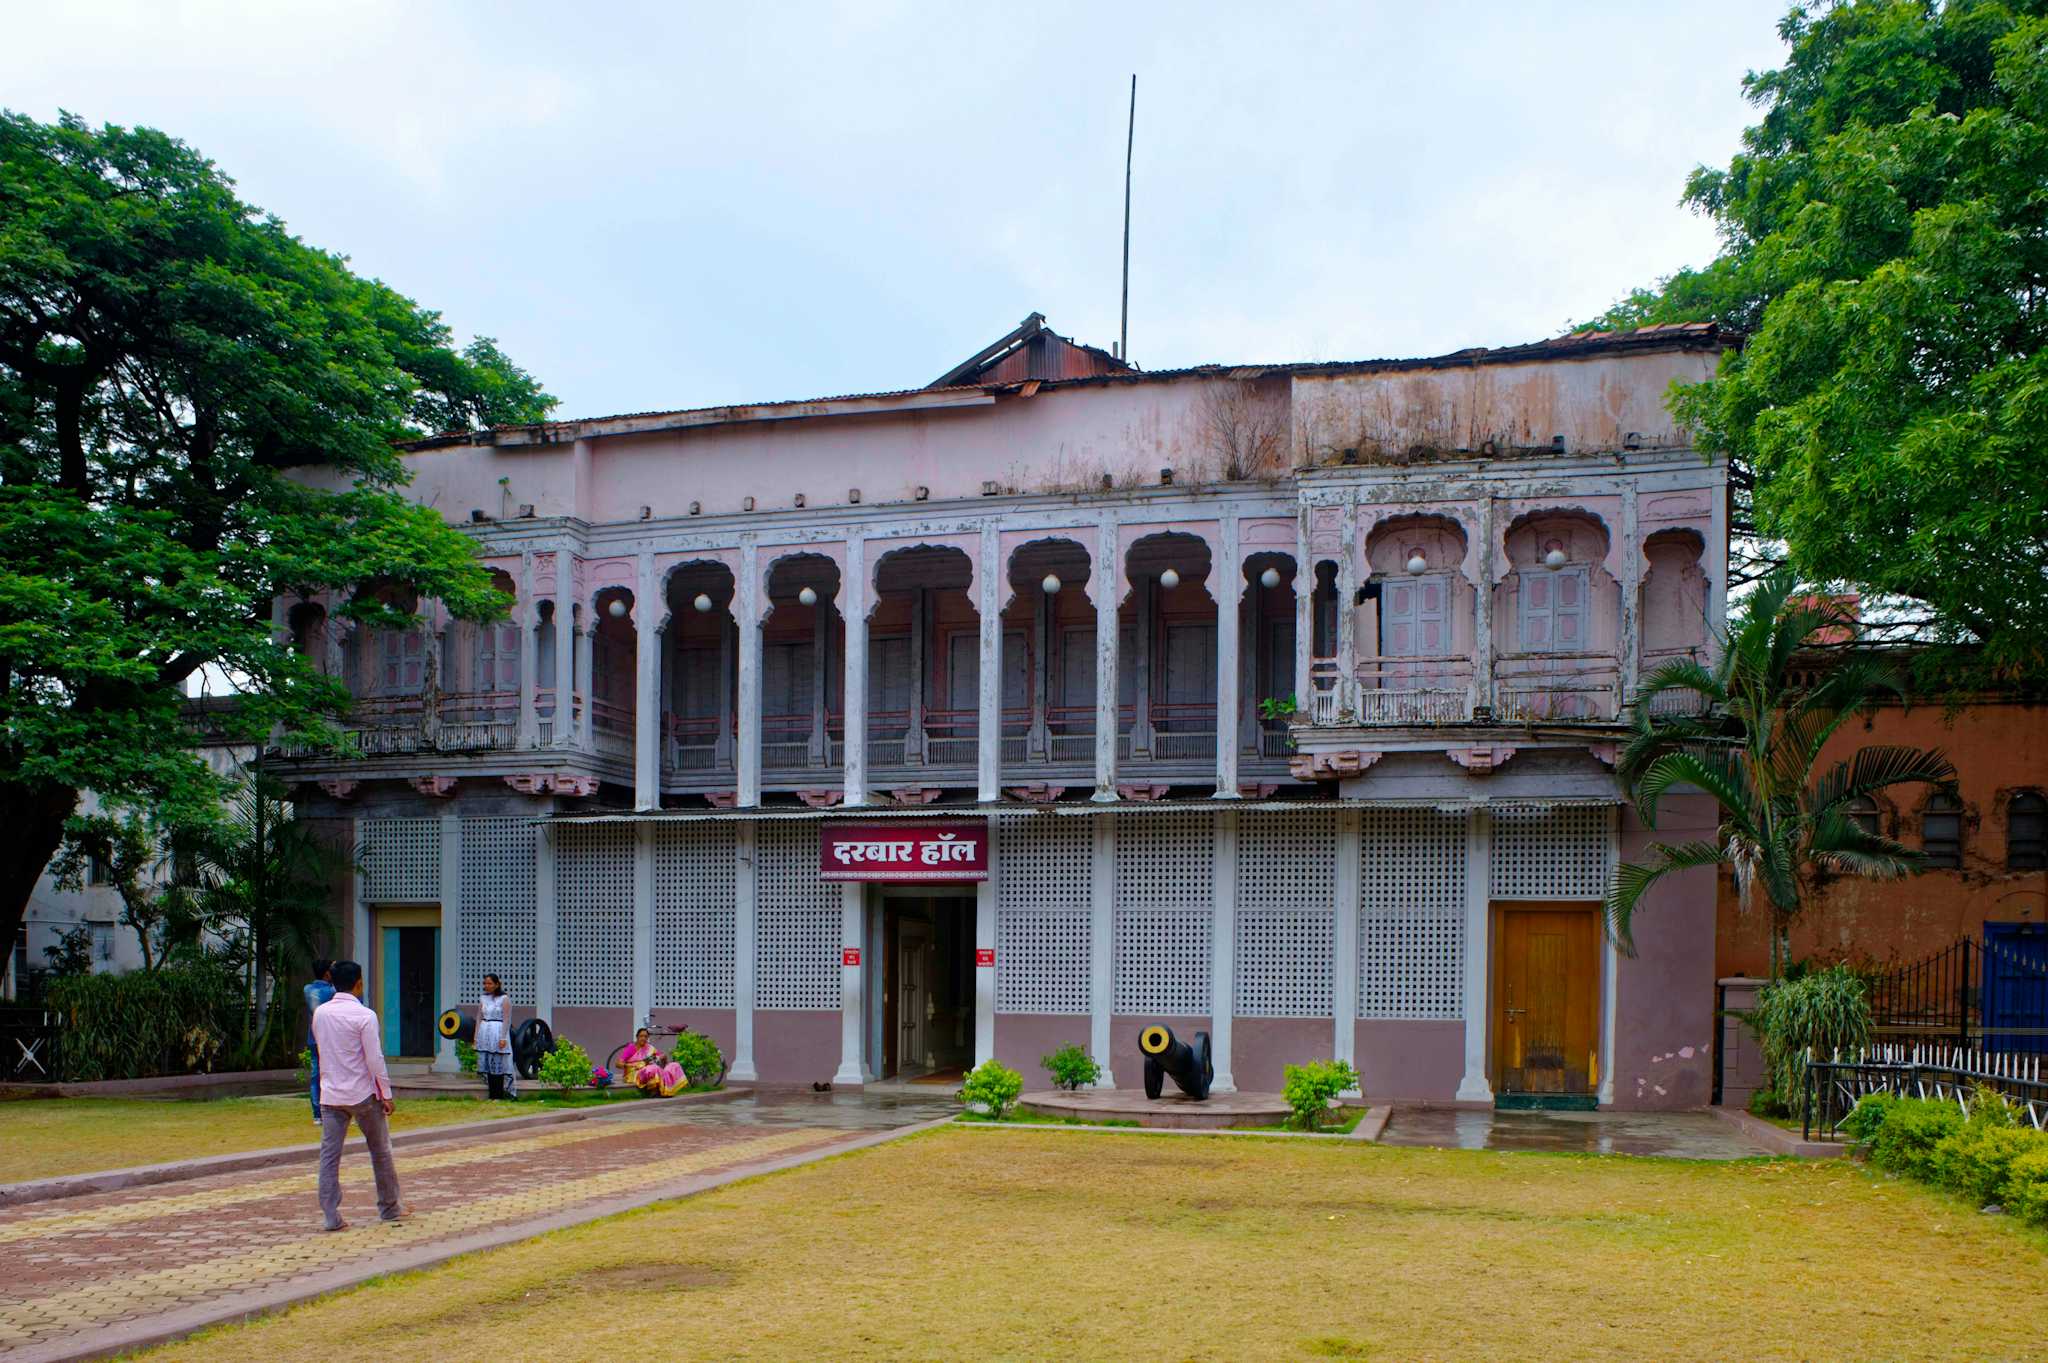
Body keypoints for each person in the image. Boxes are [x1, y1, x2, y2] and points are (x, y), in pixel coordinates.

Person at [311, 960, 409, 1230]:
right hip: (363, 1094)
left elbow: (322, 1050)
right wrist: (386, 1093)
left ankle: (331, 1216)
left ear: (332, 982)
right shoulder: (365, 1016)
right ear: (359, 983)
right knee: (380, 1151)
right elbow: (374, 1059)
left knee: (329, 1156)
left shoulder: (320, 1014)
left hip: (331, 1094)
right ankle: (389, 1207)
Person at [476, 973, 518, 1100]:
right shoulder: (483, 998)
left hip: (498, 1031)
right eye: (485, 983)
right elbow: (479, 1017)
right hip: (485, 1031)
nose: (487, 986)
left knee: (498, 1063)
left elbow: (506, 1019)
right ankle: (491, 1095)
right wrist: (476, 1036)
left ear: (496, 984)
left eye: (489, 983)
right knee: (488, 1063)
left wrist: (503, 1037)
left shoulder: (504, 999)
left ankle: (499, 1095)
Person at [303, 959, 334, 1123]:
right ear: (328, 973)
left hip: (313, 1037)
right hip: (330, 1038)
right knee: (334, 1073)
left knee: (316, 1076)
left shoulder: (308, 989)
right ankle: (334, 1108)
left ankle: (317, 1114)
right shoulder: (332, 991)